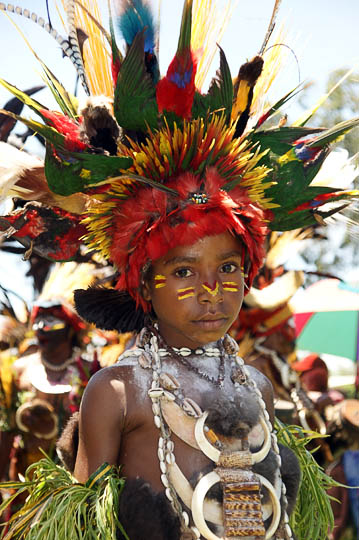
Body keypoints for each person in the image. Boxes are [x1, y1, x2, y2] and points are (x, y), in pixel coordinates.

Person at [0, 0, 358, 538]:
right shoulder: (116, 391)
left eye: (229, 269)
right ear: (143, 281)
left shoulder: (257, 388)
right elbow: (72, 525)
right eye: (185, 272)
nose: (212, 290)